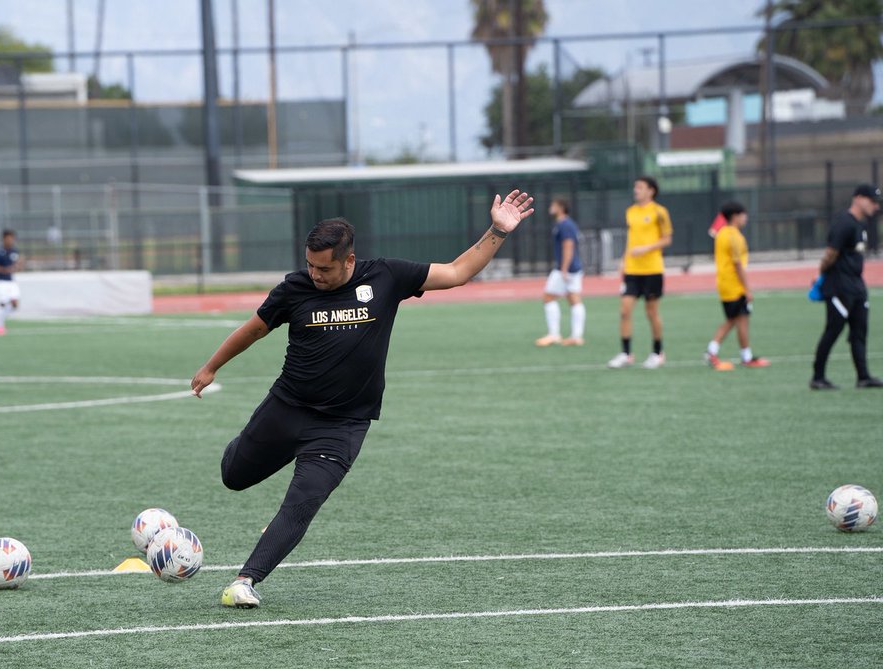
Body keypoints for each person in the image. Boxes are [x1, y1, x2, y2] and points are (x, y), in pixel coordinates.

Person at [191, 190, 535, 609]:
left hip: (342, 427)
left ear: (349, 261)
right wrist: (212, 366)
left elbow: (458, 271)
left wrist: (498, 230)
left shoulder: (387, 276)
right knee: (234, 475)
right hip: (286, 409)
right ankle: (247, 455)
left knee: (302, 503)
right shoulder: (294, 289)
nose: (315, 274)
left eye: (325, 268)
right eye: (310, 265)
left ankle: (245, 581)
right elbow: (254, 329)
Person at [810, 185, 883, 390]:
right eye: (872, 201)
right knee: (834, 329)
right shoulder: (844, 223)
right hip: (839, 285)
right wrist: (822, 275)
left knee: (860, 330)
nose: (875, 206)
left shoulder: (861, 224)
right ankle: (818, 377)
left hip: (857, 285)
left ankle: (863, 376)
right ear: (858, 198)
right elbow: (830, 254)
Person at [608, 176, 672, 369]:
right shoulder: (631, 212)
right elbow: (631, 239)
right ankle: (626, 354)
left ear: (651, 190)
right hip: (632, 270)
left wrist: (646, 249)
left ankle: (658, 352)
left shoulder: (660, 212)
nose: (636, 190)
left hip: (652, 269)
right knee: (625, 310)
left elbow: (667, 239)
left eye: (640, 187)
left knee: (651, 312)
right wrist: (623, 260)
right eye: (635, 187)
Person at [704, 201, 770, 370]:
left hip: (727, 284)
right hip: (734, 286)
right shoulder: (733, 236)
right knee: (733, 320)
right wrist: (747, 288)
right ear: (735, 216)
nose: (745, 218)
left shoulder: (723, 233)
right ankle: (712, 351)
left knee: (742, 319)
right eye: (743, 215)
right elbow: (737, 264)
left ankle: (746, 356)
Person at [535, 198, 586, 347]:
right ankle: (576, 336)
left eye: (553, 205)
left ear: (561, 208)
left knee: (548, 297)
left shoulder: (565, 225)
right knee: (573, 298)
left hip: (566, 269)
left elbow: (568, 246)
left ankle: (554, 335)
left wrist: (564, 269)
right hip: (572, 268)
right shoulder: (564, 224)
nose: (550, 208)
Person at [0, 229, 22, 335]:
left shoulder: (14, 251)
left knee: (15, 304)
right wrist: (4, 270)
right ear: (4, 239)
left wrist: (18, 266)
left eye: (12, 238)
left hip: (11, 281)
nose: (11, 240)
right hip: (1, 282)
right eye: (9, 238)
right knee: (3, 303)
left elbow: (18, 264)